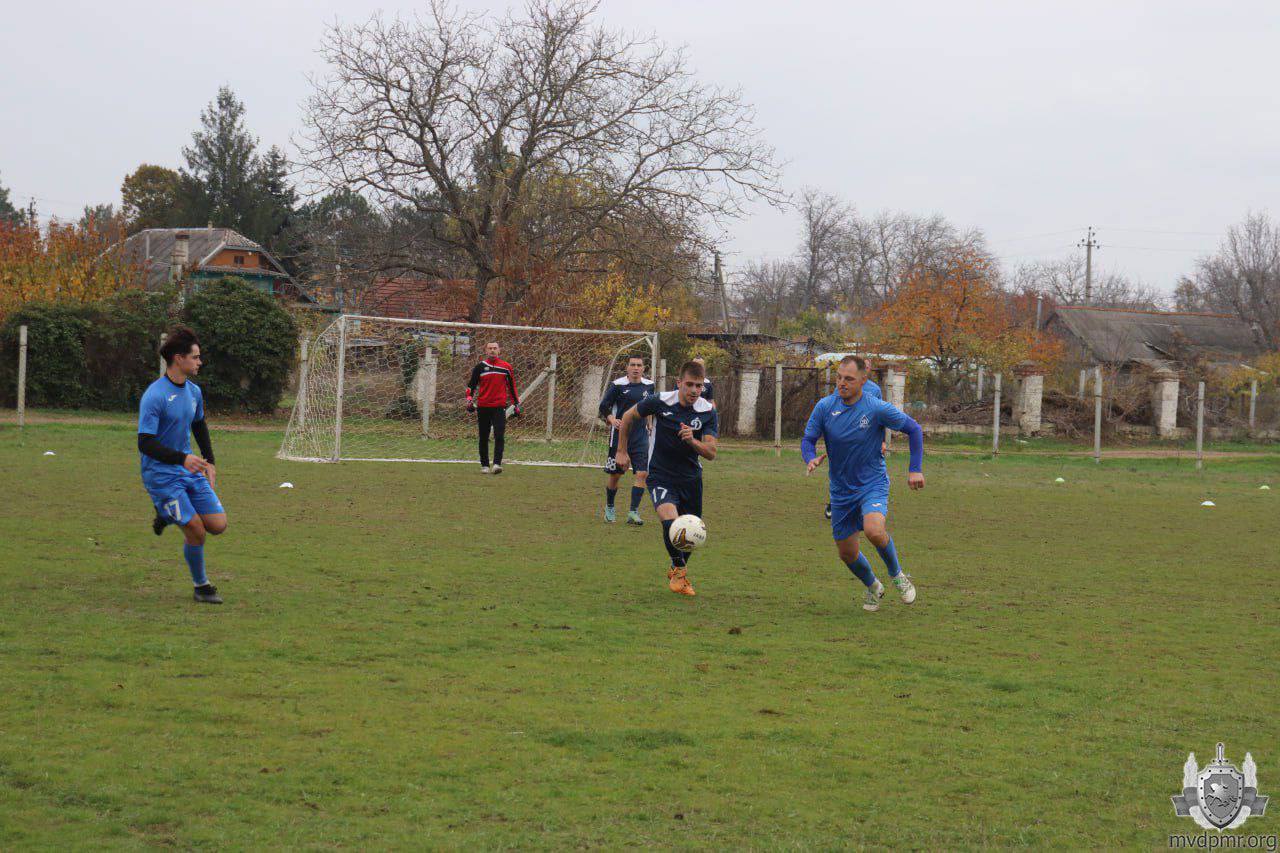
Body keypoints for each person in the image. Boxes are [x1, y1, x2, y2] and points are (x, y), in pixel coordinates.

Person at [801, 355, 924, 612]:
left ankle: (898, 575)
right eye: (839, 378)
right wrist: (810, 458)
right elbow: (808, 438)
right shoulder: (825, 407)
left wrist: (915, 470)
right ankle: (873, 586)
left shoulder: (876, 407)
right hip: (841, 491)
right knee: (846, 553)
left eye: (849, 379)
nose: (842, 384)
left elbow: (914, 429)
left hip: (872, 483)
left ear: (863, 380)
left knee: (874, 531)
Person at [138, 326, 227, 604]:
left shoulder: (194, 392)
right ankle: (201, 586)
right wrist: (183, 458)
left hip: (188, 469)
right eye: (196, 357)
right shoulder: (155, 395)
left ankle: (165, 514)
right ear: (179, 358)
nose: (200, 362)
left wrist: (209, 460)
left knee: (218, 525)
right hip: (161, 474)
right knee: (196, 529)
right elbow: (145, 443)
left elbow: (199, 423)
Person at [614, 361, 717, 597]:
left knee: (692, 534)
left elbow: (711, 453)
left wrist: (692, 441)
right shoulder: (661, 401)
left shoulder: (707, 411)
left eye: (698, 386)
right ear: (679, 383)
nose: (693, 390)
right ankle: (681, 571)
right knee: (671, 521)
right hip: (661, 475)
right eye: (689, 384)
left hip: (691, 479)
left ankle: (676, 567)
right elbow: (628, 417)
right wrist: (622, 450)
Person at [598, 355, 655, 524]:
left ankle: (633, 512)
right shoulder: (618, 385)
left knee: (642, 473)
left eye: (639, 365)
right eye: (632, 365)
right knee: (616, 475)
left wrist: (650, 423)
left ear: (643, 368)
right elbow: (604, 406)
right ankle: (609, 507)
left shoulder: (649, 386)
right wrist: (611, 419)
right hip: (620, 436)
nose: (636, 368)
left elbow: (650, 407)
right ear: (627, 367)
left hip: (641, 436)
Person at [824, 366, 882, 520]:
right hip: (843, 438)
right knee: (841, 472)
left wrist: (881, 441)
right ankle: (834, 503)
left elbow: (880, 418)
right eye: (839, 378)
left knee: (864, 471)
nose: (843, 382)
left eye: (868, 366)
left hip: (864, 436)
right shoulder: (842, 388)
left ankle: (868, 504)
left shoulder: (875, 390)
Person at [466, 341, 520, 474]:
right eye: (490, 348)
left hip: (499, 407)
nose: (492, 350)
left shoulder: (506, 367)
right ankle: (484, 465)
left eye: (495, 348)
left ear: (499, 350)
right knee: (483, 436)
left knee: (499, 435)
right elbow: (471, 386)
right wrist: (469, 400)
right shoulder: (480, 367)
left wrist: (516, 404)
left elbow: (512, 387)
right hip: (483, 406)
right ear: (486, 351)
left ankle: (496, 464)